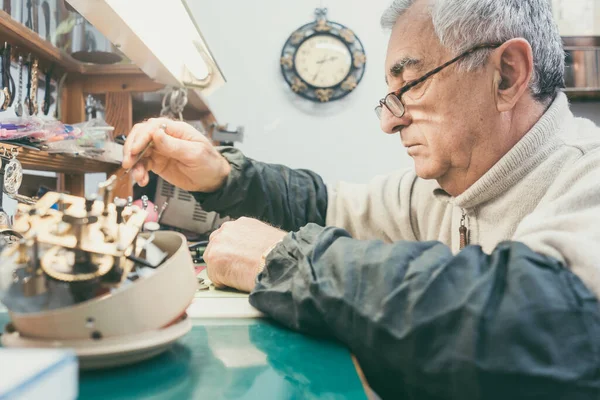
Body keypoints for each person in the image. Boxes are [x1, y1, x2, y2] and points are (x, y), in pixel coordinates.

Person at [123, 0, 600, 398]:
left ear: (506, 75)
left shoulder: (587, 174)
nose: (389, 123)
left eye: (409, 87)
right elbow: (322, 204)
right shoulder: (446, 188)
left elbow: (539, 319)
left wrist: (278, 258)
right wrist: (223, 175)